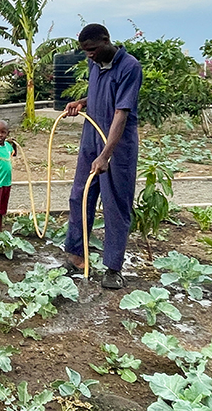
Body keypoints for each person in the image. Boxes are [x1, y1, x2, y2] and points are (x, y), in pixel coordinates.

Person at [62, 23, 142, 289]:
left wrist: (106, 155)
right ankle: (77, 256)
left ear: (107, 41)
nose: (89, 55)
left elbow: (121, 113)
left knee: (115, 204)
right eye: (85, 51)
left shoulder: (130, 67)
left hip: (116, 147)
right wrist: (82, 102)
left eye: (93, 49)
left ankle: (112, 268)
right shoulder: (94, 64)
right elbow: (100, 92)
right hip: (90, 138)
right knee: (79, 196)